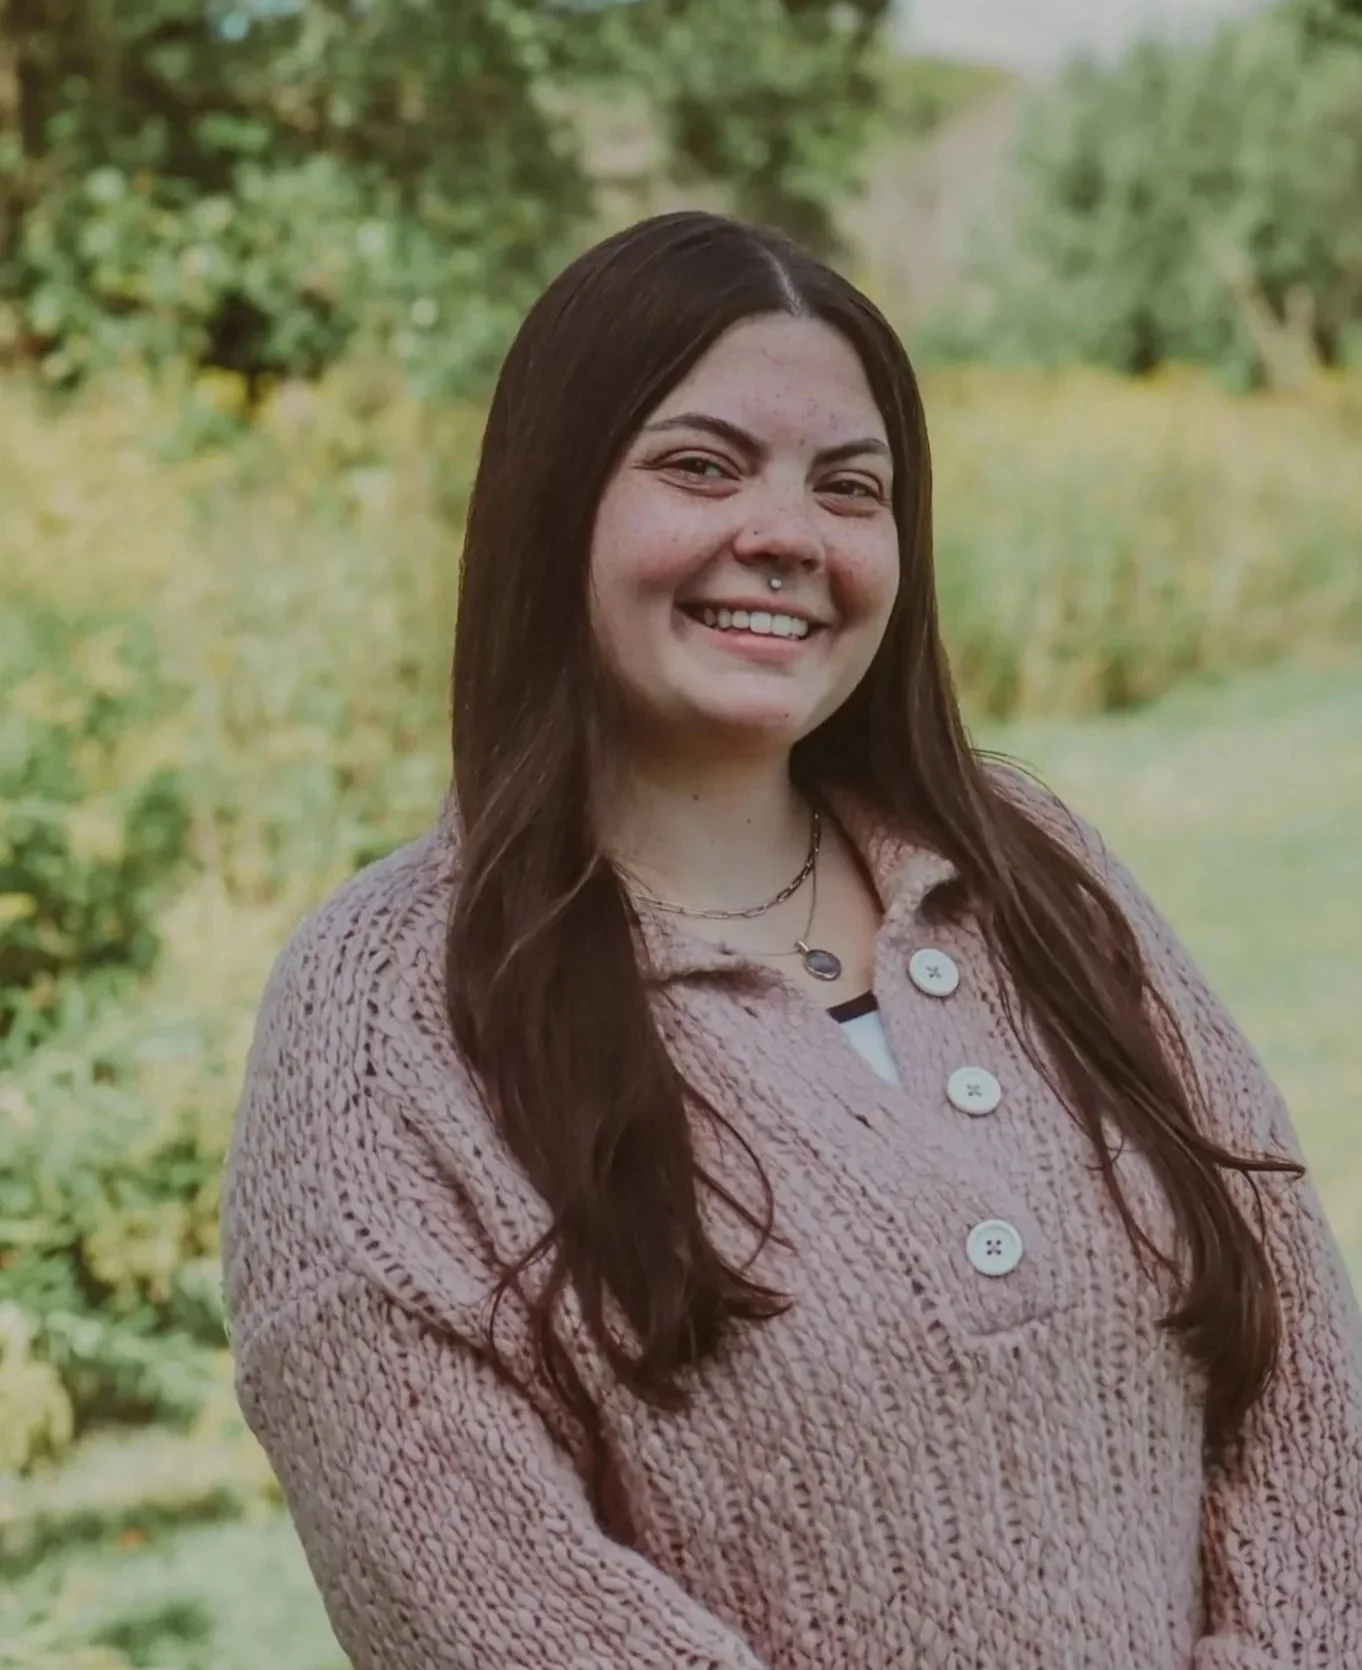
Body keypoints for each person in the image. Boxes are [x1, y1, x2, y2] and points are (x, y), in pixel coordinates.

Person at [220, 210, 1362, 1670]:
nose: (785, 534)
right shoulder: (383, 1021)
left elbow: (1297, 1360)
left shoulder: (1027, 868)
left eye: (849, 486)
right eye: (699, 466)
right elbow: (489, 1607)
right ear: (550, 502)